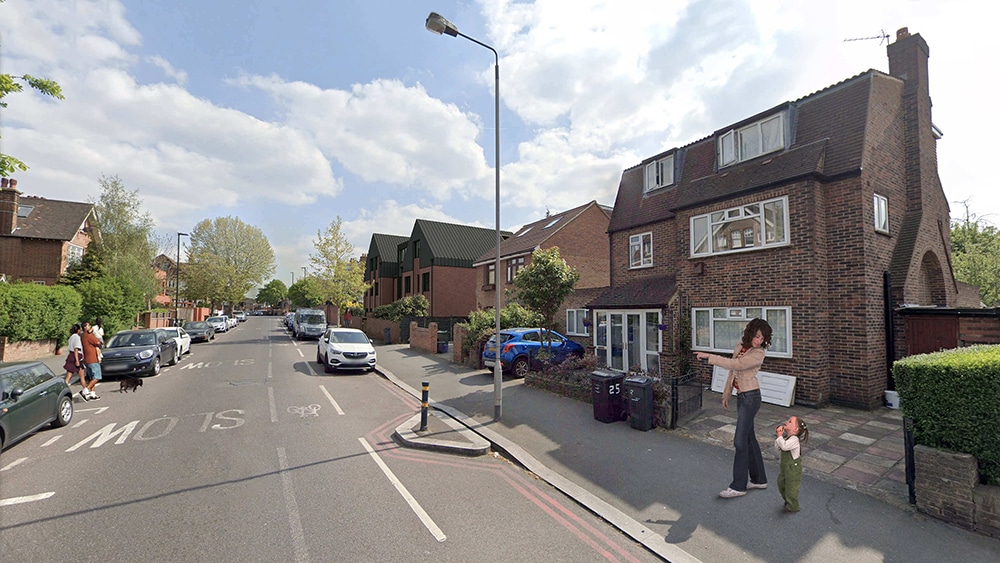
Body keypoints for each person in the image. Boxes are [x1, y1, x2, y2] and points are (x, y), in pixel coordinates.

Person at [695, 317, 773, 498]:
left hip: (751, 398)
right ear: (751, 333)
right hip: (742, 396)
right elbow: (733, 372)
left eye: (762, 338)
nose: (759, 340)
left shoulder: (758, 353)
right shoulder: (740, 346)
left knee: (739, 441)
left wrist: (709, 356)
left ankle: (738, 486)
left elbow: (735, 364)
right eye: (757, 336)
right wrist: (726, 393)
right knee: (749, 439)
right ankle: (759, 479)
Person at [775, 415, 809, 512]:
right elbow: (778, 447)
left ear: (795, 429)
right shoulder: (786, 438)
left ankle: (793, 506)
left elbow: (785, 447)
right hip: (785, 467)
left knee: (791, 488)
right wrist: (779, 438)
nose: (786, 422)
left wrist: (779, 437)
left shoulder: (794, 440)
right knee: (781, 483)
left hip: (793, 469)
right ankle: (787, 501)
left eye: (790, 421)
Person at [79, 321, 104, 401]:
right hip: (92, 358)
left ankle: (93, 394)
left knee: (92, 377)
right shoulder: (89, 335)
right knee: (97, 377)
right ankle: (85, 390)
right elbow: (98, 343)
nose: (90, 327)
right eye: (88, 325)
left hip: (87, 359)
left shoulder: (82, 335)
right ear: (85, 327)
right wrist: (98, 340)